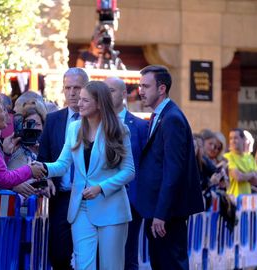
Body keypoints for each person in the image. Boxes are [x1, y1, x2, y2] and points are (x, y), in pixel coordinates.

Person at [40, 81, 135, 269]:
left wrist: (101, 188)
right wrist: (42, 167)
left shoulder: (119, 129)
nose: (79, 103)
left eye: (85, 100)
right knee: (84, 265)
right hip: (81, 207)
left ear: (99, 104)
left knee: (111, 266)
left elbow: (129, 171)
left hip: (112, 208)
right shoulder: (74, 128)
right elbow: (62, 164)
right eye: (80, 99)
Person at [136, 65, 203, 269]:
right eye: (140, 86)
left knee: (170, 264)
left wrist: (161, 213)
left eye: (146, 86)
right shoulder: (163, 116)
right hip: (159, 209)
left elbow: (173, 170)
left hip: (166, 213)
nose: (141, 91)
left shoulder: (172, 118)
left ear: (162, 88)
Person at [37, 67, 88, 269]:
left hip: (90, 196)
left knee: (90, 257)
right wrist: (47, 178)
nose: (72, 93)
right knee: (58, 255)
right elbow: (44, 158)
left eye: (77, 87)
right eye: (68, 88)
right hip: (62, 197)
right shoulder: (53, 120)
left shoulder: (98, 120)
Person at [104, 76, 148, 270]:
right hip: (100, 199)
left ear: (123, 94)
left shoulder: (139, 126)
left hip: (130, 202)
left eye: (111, 90)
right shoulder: (91, 123)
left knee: (127, 257)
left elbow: (146, 165)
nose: (106, 95)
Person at [224, 128, 257, 199]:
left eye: (236, 138)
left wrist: (243, 174)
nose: (233, 141)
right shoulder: (227, 157)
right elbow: (238, 177)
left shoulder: (250, 158)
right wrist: (251, 174)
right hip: (232, 199)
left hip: (247, 200)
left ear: (243, 139)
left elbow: (256, 181)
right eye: (231, 138)